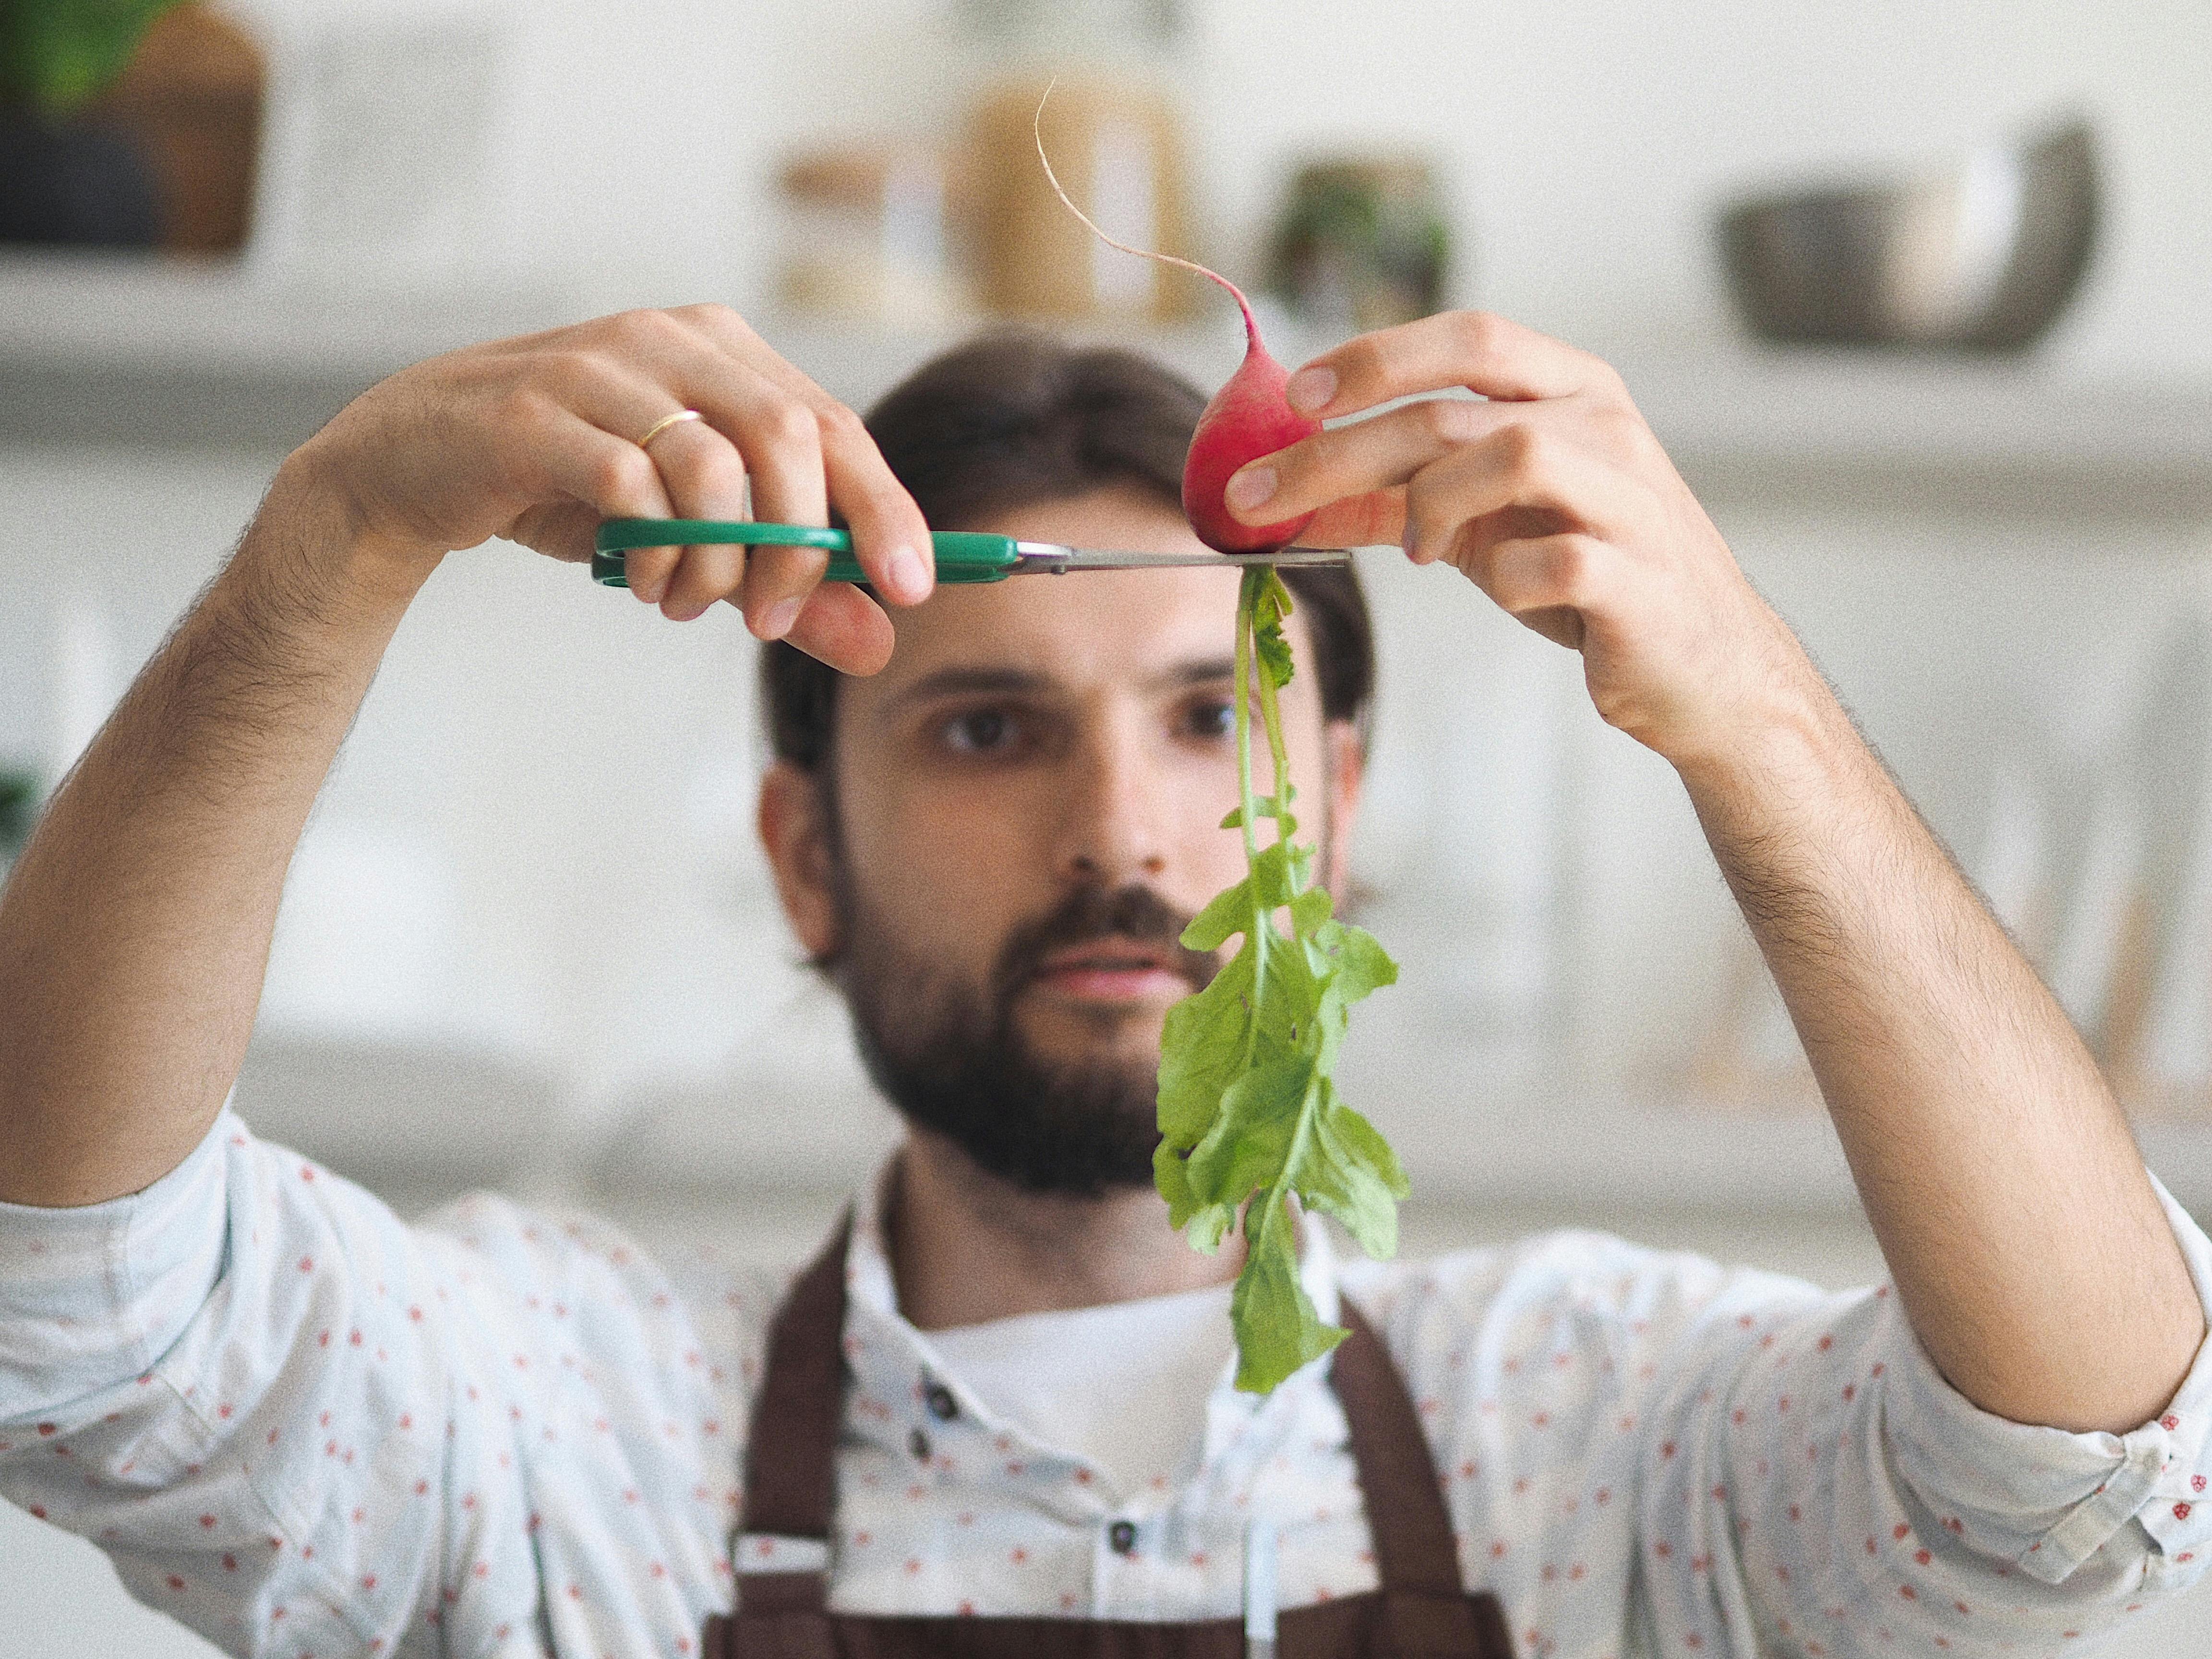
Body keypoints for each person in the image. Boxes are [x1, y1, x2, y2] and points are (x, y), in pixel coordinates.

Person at [1, 304, 2208, 1659]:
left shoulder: (1599, 1431)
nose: (1128, 834)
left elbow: (2092, 1478)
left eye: (1202, 712)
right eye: (984, 729)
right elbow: (73, 1308)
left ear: (1333, 810)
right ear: (805, 855)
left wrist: (1749, 708)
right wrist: (335, 539)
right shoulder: (549, 1430)